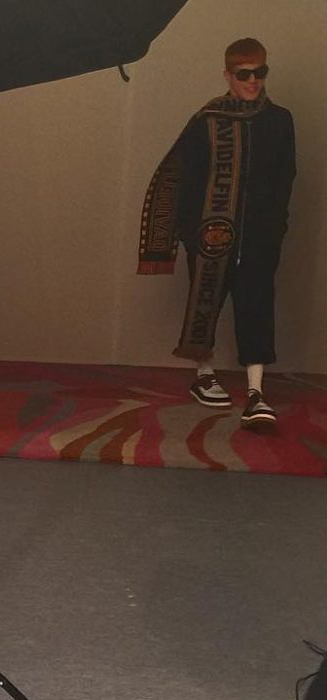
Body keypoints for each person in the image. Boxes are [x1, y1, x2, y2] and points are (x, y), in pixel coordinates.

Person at [139, 37, 296, 431]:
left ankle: (256, 391)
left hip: (259, 238)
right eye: (244, 74)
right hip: (211, 236)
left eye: (260, 72)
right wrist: (193, 233)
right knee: (205, 302)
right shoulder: (207, 120)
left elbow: (285, 178)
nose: (253, 81)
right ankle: (204, 373)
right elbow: (185, 179)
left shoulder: (280, 120)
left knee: (257, 305)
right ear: (228, 75)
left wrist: (276, 228)